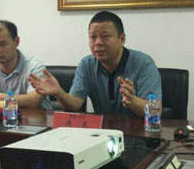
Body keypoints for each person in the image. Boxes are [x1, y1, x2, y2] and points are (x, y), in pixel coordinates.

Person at [29, 11, 161, 117]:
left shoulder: (143, 64)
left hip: (138, 134)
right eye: (93, 37)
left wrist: (133, 101)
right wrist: (59, 93)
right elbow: (75, 104)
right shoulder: (87, 64)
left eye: (105, 36)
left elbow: (156, 110)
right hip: (101, 133)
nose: (98, 42)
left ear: (121, 39)